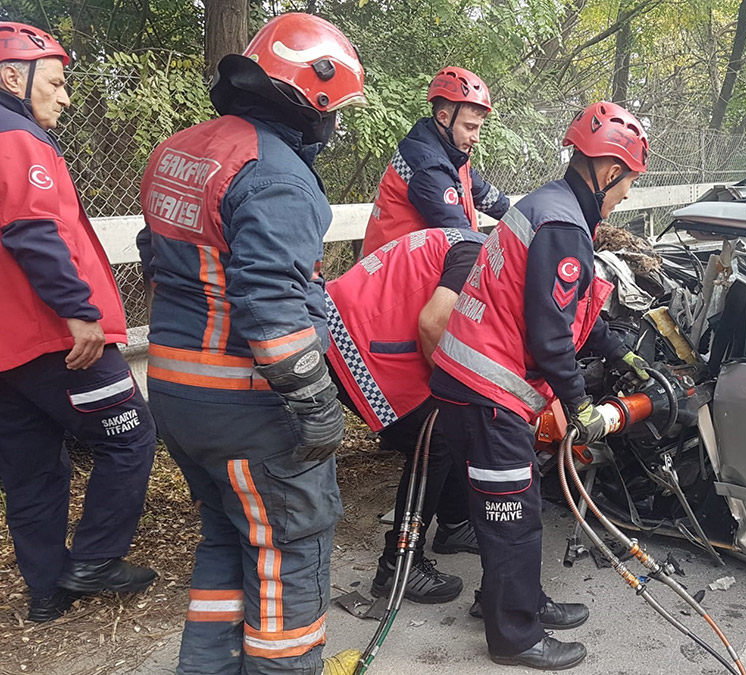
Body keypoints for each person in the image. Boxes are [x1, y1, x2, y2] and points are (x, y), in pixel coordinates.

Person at [137, 14, 365, 674]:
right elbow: (271, 310)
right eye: (335, 111)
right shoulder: (277, 176)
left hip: (178, 395)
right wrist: (317, 403)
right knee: (288, 549)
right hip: (247, 407)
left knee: (225, 537)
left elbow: (157, 257)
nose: (334, 127)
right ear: (310, 100)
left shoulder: (179, 150)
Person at [429, 101, 653, 670]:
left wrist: (617, 348)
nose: (627, 194)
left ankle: (513, 600)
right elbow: (551, 333)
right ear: (607, 173)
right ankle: (515, 637)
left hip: (472, 382)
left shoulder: (549, 208)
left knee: (513, 505)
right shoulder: (562, 226)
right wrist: (581, 406)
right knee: (514, 518)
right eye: (627, 183)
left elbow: (571, 310)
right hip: (487, 390)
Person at [0, 21, 158, 624]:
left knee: (32, 467)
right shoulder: (18, 138)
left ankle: (47, 592)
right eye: (59, 83)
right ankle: (94, 560)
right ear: (15, 75)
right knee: (131, 436)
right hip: (56, 339)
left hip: (10, 346)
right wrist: (80, 313)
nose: (65, 97)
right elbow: (32, 231)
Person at [325, 227, 487, 605]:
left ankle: (454, 524)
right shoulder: (478, 258)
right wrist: (458, 390)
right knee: (435, 436)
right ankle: (398, 563)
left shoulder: (475, 244)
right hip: (354, 338)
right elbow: (435, 322)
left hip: (359, 322)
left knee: (445, 425)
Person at [362, 67, 509, 255]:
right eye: (470, 127)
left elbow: (484, 195)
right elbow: (461, 236)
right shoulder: (427, 165)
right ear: (443, 118)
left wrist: (527, 217)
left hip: (409, 265)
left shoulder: (451, 152)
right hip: (394, 273)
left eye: (478, 128)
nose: (476, 138)